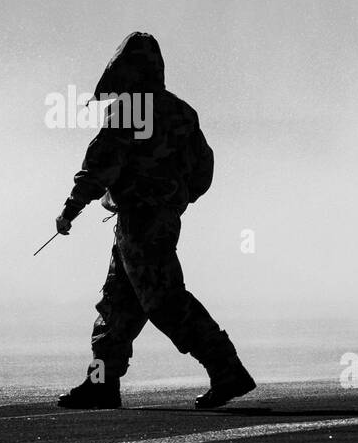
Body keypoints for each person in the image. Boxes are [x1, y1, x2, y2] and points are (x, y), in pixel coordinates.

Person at [54, 32, 255, 409]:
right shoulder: (181, 111)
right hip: (158, 219)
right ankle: (102, 382)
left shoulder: (130, 110)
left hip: (139, 224)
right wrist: (173, 201)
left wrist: (70, 210)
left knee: (165, 302)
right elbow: (203, 170)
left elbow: (100, 167)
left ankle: (227, 370)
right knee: (118, 306)